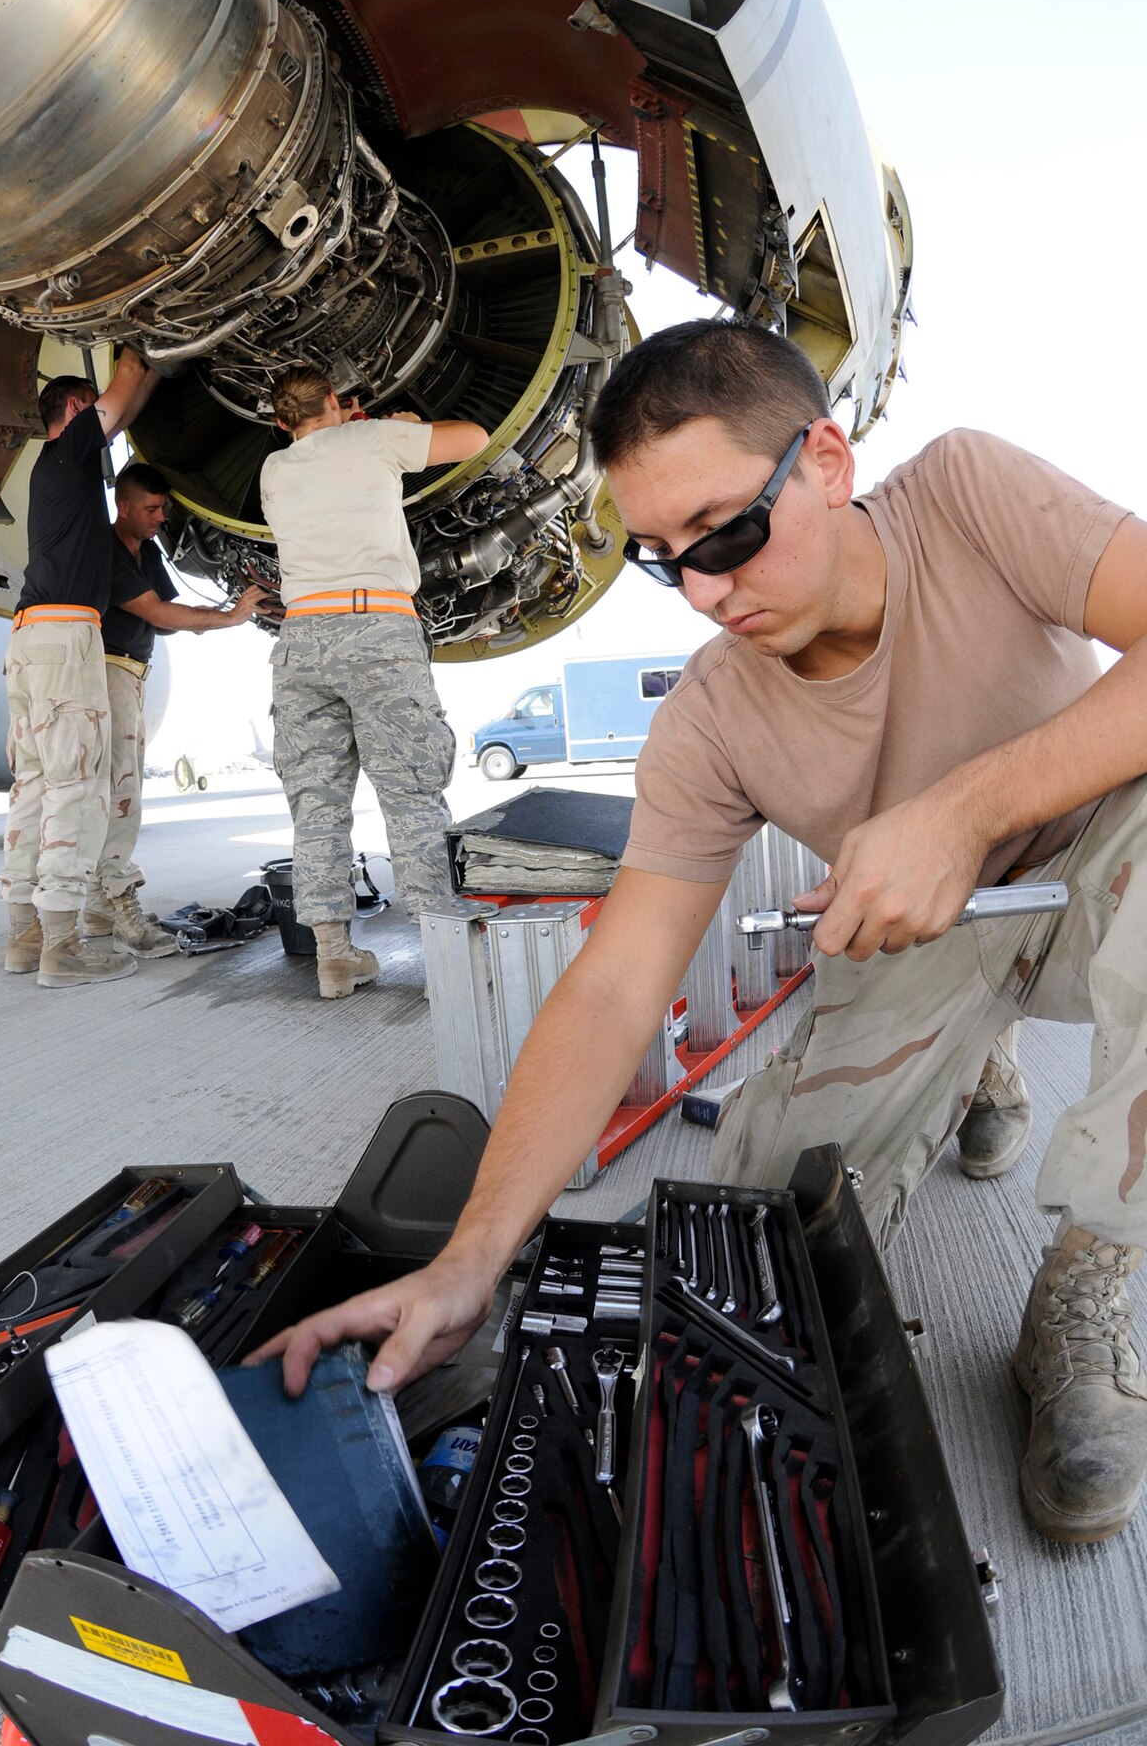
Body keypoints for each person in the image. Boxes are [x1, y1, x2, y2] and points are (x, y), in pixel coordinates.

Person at [256, 318, 1147, 1546]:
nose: (708, 588)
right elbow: (615, 986)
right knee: (754, 1254)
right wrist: (470, 1258)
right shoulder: (710, 721)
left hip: (1098, 868)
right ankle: (961, 1055)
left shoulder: (968, 492)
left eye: (728, 530)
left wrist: (965, 808)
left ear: (826, 462)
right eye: (661, 559)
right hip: (916, 938)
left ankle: (1087, 1276)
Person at [260, 368, 487, 998]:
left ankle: (333, 956)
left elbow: (321, 457)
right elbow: (473, 437)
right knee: (411, 791)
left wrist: (362, 432)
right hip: (376, 630)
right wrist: (397, 428)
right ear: (335, 401)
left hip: (301, 639)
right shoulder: (374, 440)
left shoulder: (274, 469)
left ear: (282, 421)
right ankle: (441, 952)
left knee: (316, 802)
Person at [0, 350, 159, 988]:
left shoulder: (58, 473)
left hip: (30, 639)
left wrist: (151, 376)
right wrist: (139, 337)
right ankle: (63, 946)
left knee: (34, 786)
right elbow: (121, 394)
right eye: (93, 408)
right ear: (74, 407)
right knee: (77, 786)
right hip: (66, 637)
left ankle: (24, 937)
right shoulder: (69, 452)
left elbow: (125, 407)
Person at [82, 461, 268, 957]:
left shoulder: (144, 553)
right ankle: (116, 901)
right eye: (151, 508)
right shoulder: (106, 547)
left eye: (163, 507)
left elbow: (165, 617)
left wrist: (219, 613)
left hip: (128, 674)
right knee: (121, 793)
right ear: (123, 506)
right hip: (106, 671)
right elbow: (159, 613)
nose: (161, 516)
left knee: (116, 788)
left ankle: (98, 904)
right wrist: (228, 618)